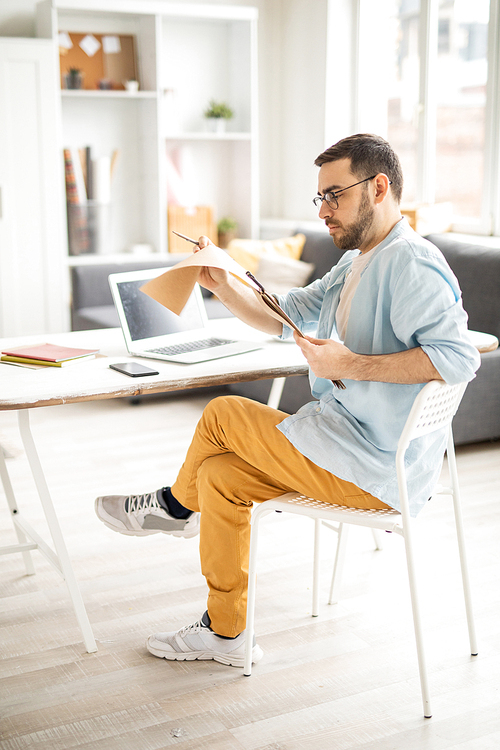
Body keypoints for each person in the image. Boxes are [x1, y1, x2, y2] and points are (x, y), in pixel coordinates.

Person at [95, 133, 480, 668]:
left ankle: (174, 508)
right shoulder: (359, 260)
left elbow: (459, 359)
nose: (324, 210)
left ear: (379, 187)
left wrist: (349, 365)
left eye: (334, 195)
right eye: (319, 198)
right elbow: (291, 314)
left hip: (375, 468)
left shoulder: (412, 263)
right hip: (341, 444)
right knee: (221, 477)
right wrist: (226, 285)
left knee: (224, 412)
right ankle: (227, 635)